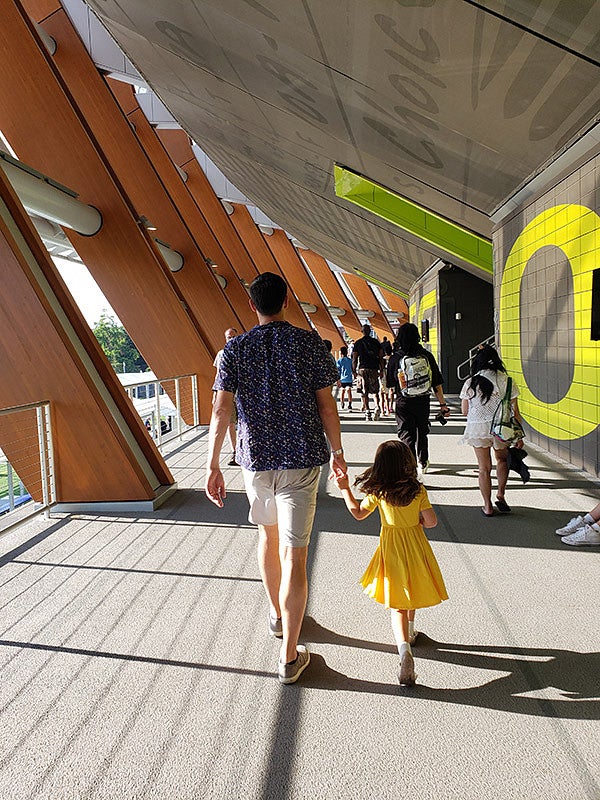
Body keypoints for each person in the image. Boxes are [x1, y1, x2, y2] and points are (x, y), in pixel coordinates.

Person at [205, 272, 347, 684]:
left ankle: (276, 616)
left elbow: (220, 412)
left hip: (255, 463)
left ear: (252, 306)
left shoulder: (235, 350)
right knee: (295, 556)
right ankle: (289, 657)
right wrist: (338, 455)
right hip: (302, 461)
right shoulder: (307, 345)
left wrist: (213, 465)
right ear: (287, 300)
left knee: (267, 540)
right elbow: (327, 408)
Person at [335, 440, 448, 686]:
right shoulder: (418, 490)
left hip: (391, 547)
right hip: (415, 546)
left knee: (398, 602)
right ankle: (411, 630)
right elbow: (431, 522)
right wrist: (418, 520)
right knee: (413, 589)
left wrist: (345, 488)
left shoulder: (378, 491)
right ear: (407, 464)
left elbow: (357, 512)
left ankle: (404, 650)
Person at [458, 345, 524, 517]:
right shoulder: (507, 380)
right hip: (501, 429)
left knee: (483, 468)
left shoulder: (470, 382)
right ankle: (501, 494)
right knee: (502, 460)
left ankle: (487, 506)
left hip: (478, 429)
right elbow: (515, 412)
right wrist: (519, 436)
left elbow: (464, 411)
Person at [387, 323, 449, 474]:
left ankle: (411, 465)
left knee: (406, 434)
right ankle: (423, 460)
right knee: (422, 430)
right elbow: (436, 383)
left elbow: (390, 383)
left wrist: (389, 402)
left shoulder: (396, 358)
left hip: (403, 401)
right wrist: (443, 405)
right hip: (422, 400)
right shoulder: (426, 355)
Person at [213, 327, 239, 466]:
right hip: (228, 395)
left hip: (242, 395)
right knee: (230, 424)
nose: (231, 339)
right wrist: (216, 394)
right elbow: (219, 375)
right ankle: (235, 452)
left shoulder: (244, 353)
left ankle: (244, 450)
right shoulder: (221, 355)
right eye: (229, 337)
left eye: (233, 336)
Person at [352, 324, 383, 421]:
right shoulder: (376, 342)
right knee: (375, 390)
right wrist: (381, 369)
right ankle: (377, 406)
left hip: (363, 369)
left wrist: (354, 371)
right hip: (373, 368)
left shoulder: (358, 343)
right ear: (370, 331)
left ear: (362, 331)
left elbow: (354, 358)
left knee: (364, 391)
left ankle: (367, 411)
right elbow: (381, 357)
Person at [336, 345, 354, 411]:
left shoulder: (339, 361)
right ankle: (349, 403)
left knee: (342, 391)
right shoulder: (350, 360)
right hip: (348, 379)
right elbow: (352, 369)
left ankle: (342, 403)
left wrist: (337, 379)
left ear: (341, 353)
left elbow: (338, 370)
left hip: (342, 379)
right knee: (348, 390)